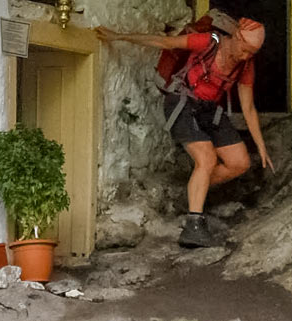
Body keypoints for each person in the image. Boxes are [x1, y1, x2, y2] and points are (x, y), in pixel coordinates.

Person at [96, 17, 272, 248]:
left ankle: (192, 193)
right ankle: (193, 226)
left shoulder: (246, 65)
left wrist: (261, 146)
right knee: (207, 158)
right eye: (246, 50)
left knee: (239, 162)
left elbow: (248, 107)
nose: (247, 57)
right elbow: (165, 42)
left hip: (209, 110)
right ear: (237, 37)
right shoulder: (208, 42)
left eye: (252, 53)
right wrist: (119, 36)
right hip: (182, 103)